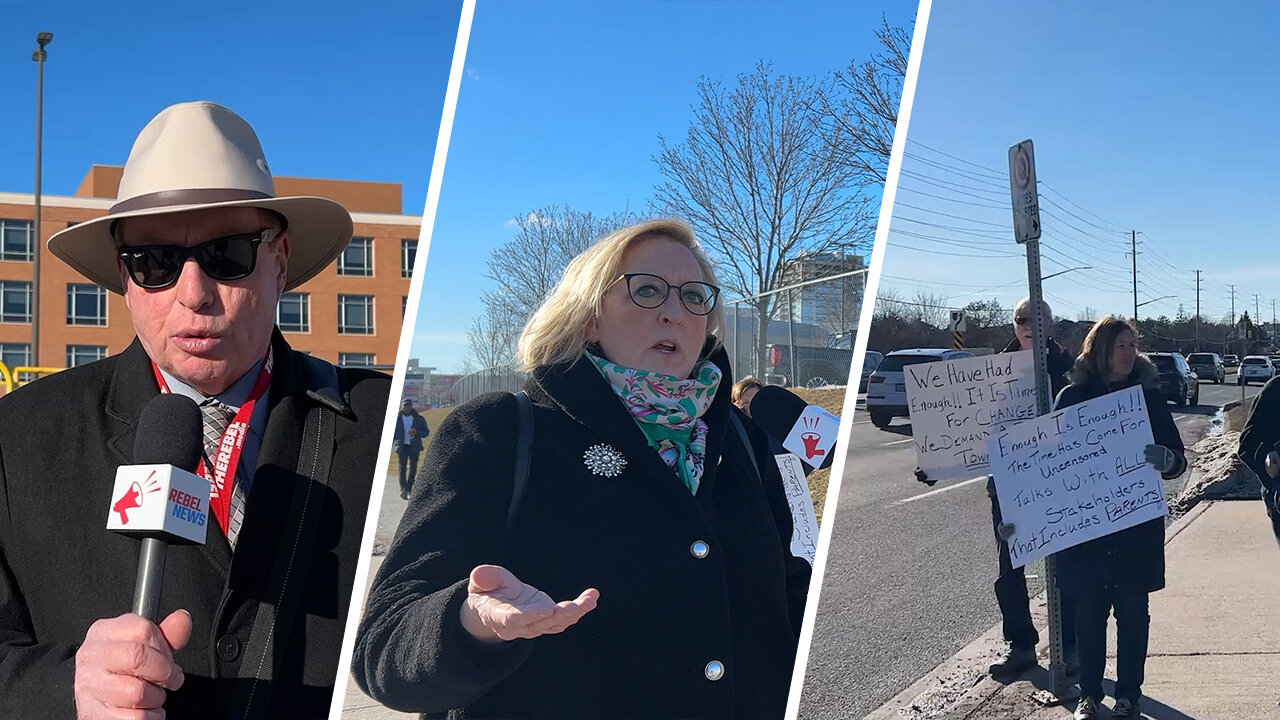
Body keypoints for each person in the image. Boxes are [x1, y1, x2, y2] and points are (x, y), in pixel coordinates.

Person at [0, 102, 389, 719]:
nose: (193, 293)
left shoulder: (376, 421)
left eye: (226, 253)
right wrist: (65, 687)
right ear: (124, 278)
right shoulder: (16, 436)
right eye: (151, 262)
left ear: (280, 259)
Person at [352, 219, 810, 719]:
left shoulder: (740, 440)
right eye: (649, 291)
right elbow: (383, 645)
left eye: (695, 297)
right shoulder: (499, 432)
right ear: (591, 317)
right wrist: (471, 621)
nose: (675, 314)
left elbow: (788, 599)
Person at [913, 298, 1078, 680]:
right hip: (1007, 486)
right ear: (1013, 325)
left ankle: (1069, 646)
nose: (1029, 325)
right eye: (1022, 319)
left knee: (1065, 567)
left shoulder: (1069, 370)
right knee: (1010, 569)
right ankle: (1021, 646)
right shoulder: (990, 372)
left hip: (1060, 482)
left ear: (1050, 325)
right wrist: (936, 465)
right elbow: (966, 429)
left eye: (1038, 319)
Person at [1048, 316, 1185, 720]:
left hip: (1134, 528)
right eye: (1121, 345)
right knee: (1088, 613)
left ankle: (1129, 695)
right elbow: (1049, 465)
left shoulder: (1149, 398)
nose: (1128, 353)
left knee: (1132, 613)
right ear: (1100, 349)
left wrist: (1169, 460)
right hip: (1087, 529)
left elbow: (1178, 459)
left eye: (1132, 345)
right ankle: (1089, 695)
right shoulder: (1072, 398)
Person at [393, 397, 431, 499]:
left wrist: (417, 432)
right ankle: (403, 488)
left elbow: (426, 432)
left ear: (411, 406)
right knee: (402, 468)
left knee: (413, 467)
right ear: (401, 407)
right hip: (401, 446)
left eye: (408, 405)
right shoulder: (397, 419)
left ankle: (409, 487)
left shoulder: (419, 419)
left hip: (414, 446)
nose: (406, 408)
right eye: (405, 406)